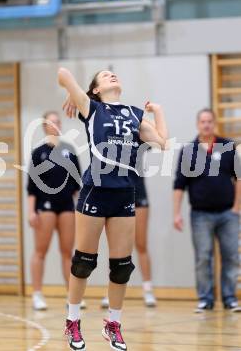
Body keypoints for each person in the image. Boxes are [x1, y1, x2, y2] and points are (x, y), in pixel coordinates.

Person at [58, 68, 168, 351]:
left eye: (114, 74)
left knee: (121, 268)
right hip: (96, 188)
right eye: (105, 76)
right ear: (95, 89)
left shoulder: (134, 113)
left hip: (124, 193)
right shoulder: (92, 107)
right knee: (84, 262)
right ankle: (72, 322)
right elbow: (62, 73)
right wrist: (75, 94)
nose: (112, 76)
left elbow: (161, 143)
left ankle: (113, 325)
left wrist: (158, 111)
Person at [173, 108, 241, 313]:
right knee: (203, 256)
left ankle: (229, 298)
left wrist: (237, 207)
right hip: (200, 214)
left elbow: (238, 178)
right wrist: (176, 213)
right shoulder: (188, 151)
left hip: (228, 213)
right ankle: (205, 298)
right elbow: (179, 185)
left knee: (231, 255)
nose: (206, 124)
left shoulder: (229, 146)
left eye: (210, 121)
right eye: (203, 121)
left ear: (215, 123)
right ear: (197, 124)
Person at [27, 111, 84, 310]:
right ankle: (37, 294)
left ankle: (72, 296)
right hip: (46, 207)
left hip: (67, 206)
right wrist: (31, 212)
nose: (56, 125)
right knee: (40, 251)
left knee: (68, 252)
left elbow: (77, 185)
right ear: (45, 126)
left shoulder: (70, 151)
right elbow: (31, 188)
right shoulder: (38, 152)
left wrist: (82, 210)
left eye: (58, 122)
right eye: (52, 122)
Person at [101, 171, 157, 309]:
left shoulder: (138, 148)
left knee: (141, 244)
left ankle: (148, 289)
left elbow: (161, 147)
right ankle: (111, 292)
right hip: (116, 195)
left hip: (138, 195)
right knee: (116, 248)